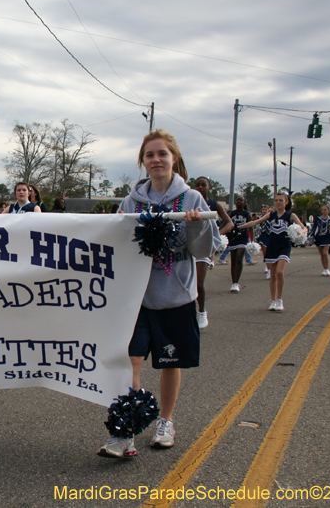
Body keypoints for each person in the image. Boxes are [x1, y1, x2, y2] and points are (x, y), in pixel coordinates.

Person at [99, 130, 219, 458]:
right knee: (131, 362)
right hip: (136, 299)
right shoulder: (130, 202)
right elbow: (118, 244)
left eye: (162, 154)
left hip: (175, 297)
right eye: (149, 155)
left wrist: (195, 224)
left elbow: (202, 249)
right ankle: (126, 431)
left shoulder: (192, 199)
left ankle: (165, 421)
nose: (156, 160)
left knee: (170, 362)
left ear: (174, 158)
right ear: (142, 161)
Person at [238, 192, 306, 311]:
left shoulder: (291, 215)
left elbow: (304, 227)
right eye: (276, 200)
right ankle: (273, 300)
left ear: (287, 202)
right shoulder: (271, 215)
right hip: (272, 246)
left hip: (284, 246)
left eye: (281, 200)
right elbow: (255, 222)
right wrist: (238, 227)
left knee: (280, 272)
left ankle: (279, 300)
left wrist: (301, 232)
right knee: (273, 275)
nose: (278, 202)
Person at [192, 177, 233, 329]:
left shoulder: (214, 205)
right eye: (197, 185)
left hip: (204, 248)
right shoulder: (189, 202)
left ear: (209, 188)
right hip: (189, 246)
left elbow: (229, 223)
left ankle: (202, 311)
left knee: (198, 283)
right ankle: (188, 313)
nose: (200, 187)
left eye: (203, 185)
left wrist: (216, 235)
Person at [226, 196, 252, 293]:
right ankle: (233, 282)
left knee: (238, 258)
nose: (238, 202)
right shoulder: (231, 213)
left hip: (243, 239)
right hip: (233, 238)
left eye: (241, 200)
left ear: (244, 203)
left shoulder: (247, 214)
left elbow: (251, 226)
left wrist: (252, 240)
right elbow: (225, 223)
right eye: (237, 200)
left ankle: (236, 283)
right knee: (233, 260)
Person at [311, 205, 330, 276]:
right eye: (322, 210)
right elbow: (314, 228)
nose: (323, 211)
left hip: (327, 237)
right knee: (322, 254)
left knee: (325, 253)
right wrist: (310, 235)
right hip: (319, 237)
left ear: (328, 211)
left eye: (325, 210)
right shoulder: (318, 219)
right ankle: (324, 269)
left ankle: (327, 269)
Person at [256, 204, 272, 280]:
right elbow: (257, 227)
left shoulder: (271, 218)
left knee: (270, 252)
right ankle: (267, 266)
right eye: (263, 209)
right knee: (264, 252)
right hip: (263, 235)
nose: (264, 211)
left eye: (266, 209)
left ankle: (270, 268)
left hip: (270, 236)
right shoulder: (260, 218)